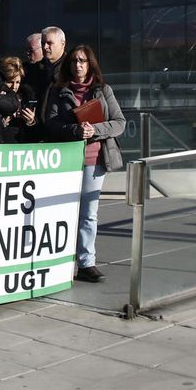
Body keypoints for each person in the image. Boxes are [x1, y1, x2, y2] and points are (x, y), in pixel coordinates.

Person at [43, 44, 125, 284]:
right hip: (66, 161)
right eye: (74, 61)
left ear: (90, 65)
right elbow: (51, 124)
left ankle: (87, 262)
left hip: (94, 160)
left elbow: (119, 122)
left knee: (88, 213)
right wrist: (75, 130)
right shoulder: (60, 90)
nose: (78, 65)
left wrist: (94, 130)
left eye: (82, 61)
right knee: (63, 211)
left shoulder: (103, 90)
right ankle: (60, 262)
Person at [0, 56, 37, 144]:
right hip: (0, 145)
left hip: (20, 144)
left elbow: (36, 133)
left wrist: (31, 121)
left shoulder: (27, 97)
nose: (14, 86)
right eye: (10, 82)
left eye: (17, 82)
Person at [26, 25, 66, 100]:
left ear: (62, 44)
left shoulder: (71, 69)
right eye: (43, 43)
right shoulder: (33, 70)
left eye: (49, 43)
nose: (45, 47)